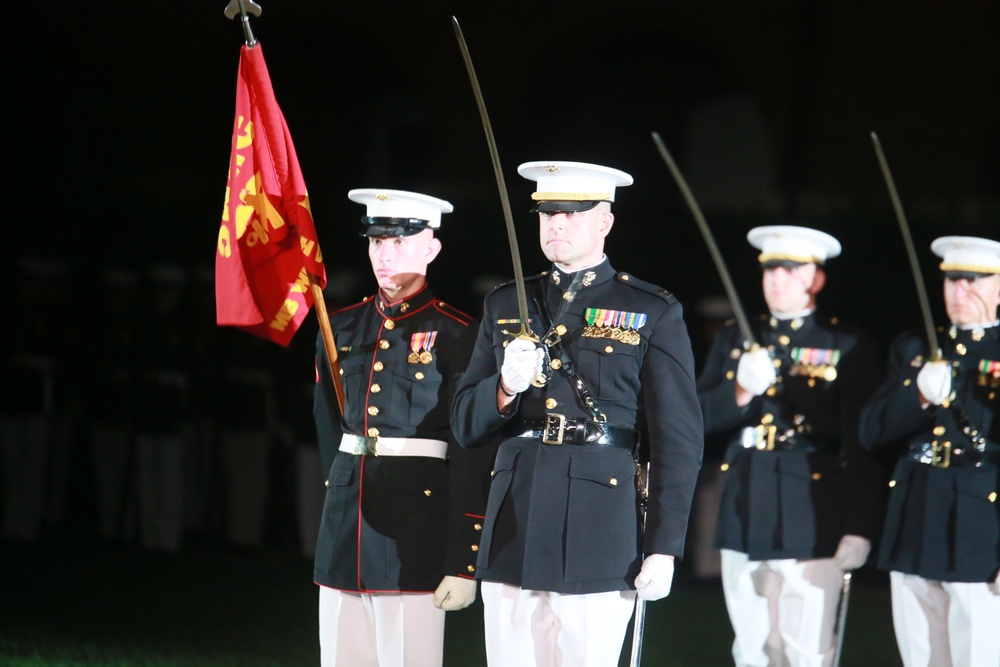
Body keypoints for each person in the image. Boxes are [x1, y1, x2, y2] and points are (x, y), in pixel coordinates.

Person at [451, 161, 704, 666]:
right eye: (547, 214)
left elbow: (678, 439)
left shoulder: (651, 309)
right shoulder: (505, 303)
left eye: (572, 213)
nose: (556, 225)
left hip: (599, 529)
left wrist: (664, 545)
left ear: (605, 222)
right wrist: (504, 385)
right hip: (514, 524)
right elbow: (463, 423)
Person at [312, 188, 494, 667]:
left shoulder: (459, 333)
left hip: (416, 528)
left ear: (431, 249)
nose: (384, 254)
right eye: (376, 243)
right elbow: (329, 425)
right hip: (347, 522)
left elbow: (469, 448)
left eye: (399, 242)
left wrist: (463, 559)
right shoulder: (342, 327)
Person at [696, 225, 884, 667]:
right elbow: (698, 418)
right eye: (770, 270)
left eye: (790, 270)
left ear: (815, 279)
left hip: (814, 508)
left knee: (809, 648)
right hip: (745, 503)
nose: (777, 280)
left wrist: (859, 524)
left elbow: (861, 439)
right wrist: (739, 391)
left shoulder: (844, 344)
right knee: (752, 647)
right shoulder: (735, 337)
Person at [858, 235, 1000, 667]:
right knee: (920, 655)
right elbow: (871, 431)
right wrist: (916, 395)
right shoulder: (915, 348)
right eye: (952, 280)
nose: (960, 291)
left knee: (978, 655)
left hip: (982, 528)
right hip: (916, 516)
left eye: (973, 280)